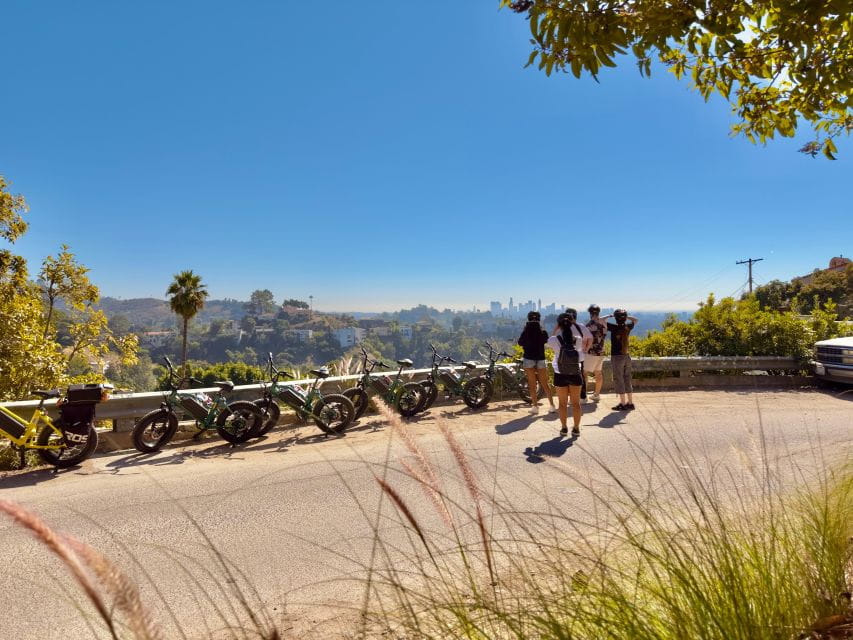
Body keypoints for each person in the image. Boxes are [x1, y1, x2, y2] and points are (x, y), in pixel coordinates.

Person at [547, 313, 586, 436]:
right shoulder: (578, 339)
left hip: (560, 374)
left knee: (562, 404)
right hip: (575, 373)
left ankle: (564, 428)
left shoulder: (554, 340)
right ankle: (576, 428)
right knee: (576, 404)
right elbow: (580, 357)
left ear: (559, 325)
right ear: (571, 324)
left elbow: (549, 342)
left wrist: (555, 329)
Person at [516, 311, 556, 414]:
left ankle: (535, 407)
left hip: (529, 358)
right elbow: (545, 341)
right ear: (539, 320)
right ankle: (552, 405)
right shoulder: (543, 332)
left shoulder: (526, 332)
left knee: (532, 384)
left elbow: (520, 342)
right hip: (540, 359)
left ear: (528, 319)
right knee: (545, 383)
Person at [603, 309, 639, 411]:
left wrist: (610, 316)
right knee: (627, 378)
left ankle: (622, 404)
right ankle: (630, 403)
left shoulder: (613, 327)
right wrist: (626, 317)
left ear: (616, 318)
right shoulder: (627, 326)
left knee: (619, 379)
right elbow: (636, 320)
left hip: (617, 357)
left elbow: (601, 320)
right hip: (626, 356)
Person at [565, 308, 593, 400]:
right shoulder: (581, 326)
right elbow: (591, 338)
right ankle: (583, 397)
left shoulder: (564, 327)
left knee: (569, 377)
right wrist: (586, 349)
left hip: (567, 357)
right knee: (580, 376)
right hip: (580, 356)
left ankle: (572, 397)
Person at [584, 304, 607, 402]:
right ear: (598, 312)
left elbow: (586, 341)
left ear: (590, 313)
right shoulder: (604, 324)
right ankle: (596, 394)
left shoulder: (588, 326)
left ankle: (583, 396)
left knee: (584, 373)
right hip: (601, 352)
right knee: (598, 374)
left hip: (591, 352)